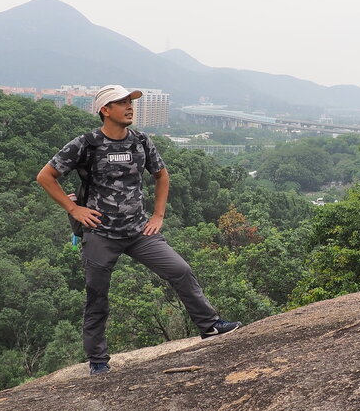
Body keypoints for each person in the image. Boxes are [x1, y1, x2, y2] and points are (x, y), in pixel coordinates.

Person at [37, 84, 241, 376]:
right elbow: (46, 176)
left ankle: (209, 325)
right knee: (97, 295)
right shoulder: (86, 144)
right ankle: (98, 361)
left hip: (138, 231)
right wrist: (74, 209)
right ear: (105, 110)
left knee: (180, 270)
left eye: (130, 102)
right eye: (122, 103)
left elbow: (162, 175)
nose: (129, 107)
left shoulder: (141, 141)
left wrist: (158, 215)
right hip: (100, 233)